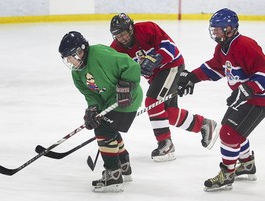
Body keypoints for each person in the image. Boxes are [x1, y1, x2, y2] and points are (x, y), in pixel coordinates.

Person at [109, 13, 219, 162]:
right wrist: (123, 87)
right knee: (166, 112)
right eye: (117, 36)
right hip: (155, 77)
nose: (121, 38)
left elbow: (170, 47)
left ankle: (165, 144)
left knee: (152, 102)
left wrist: (156, 59)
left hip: (171, 66)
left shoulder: (147, 28)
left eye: (123, 34)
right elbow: (118, 73)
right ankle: (205, 125)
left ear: (130, 28)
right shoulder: (115, 49)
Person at [177, 8, 265, 191]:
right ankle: (247, 164)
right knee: (233, 131)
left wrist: (247, 89)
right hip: (243, 97)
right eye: (214, 28)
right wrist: (191, 77)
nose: (215, 32)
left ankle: (227, 175)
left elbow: (263, 72)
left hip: (258, 99)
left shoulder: (246, 45)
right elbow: (215, 68)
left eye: (219, 28)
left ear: (230, 28)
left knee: (229, 134)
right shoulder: (223, 47)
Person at [58, 31, 143, 192]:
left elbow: (131, 65)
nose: (70, 61)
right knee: (106, 127)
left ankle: (113, 174)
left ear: (80, 51)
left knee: (103, 129)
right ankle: (123, 164)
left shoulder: (100, 55)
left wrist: (127, 85)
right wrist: (93, 109)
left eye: (71, 57)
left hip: (127, 99)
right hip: (108, 102)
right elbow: (90, 94)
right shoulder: (77, 73)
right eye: (66, 59)